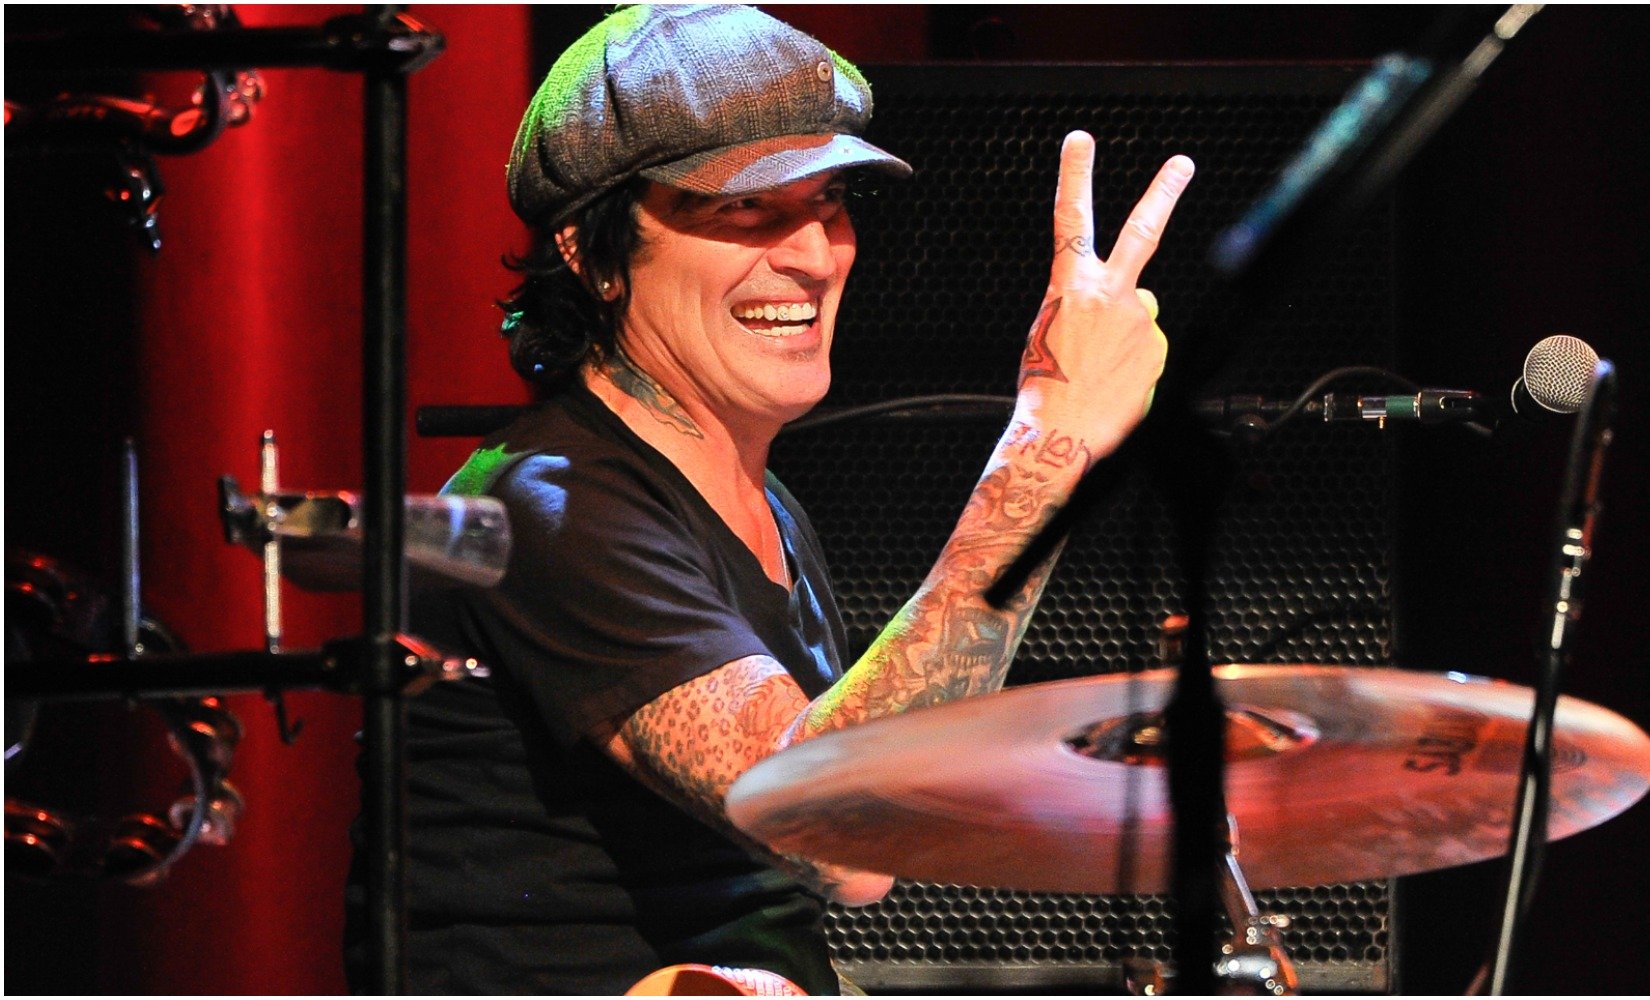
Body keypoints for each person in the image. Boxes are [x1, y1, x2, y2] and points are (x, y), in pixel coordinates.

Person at [345, 5, 1193, 993]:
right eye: (745, 207)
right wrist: (1051, 442)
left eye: (827, 202)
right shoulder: (552, 509)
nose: (814, 255)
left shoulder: (767, 504)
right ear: (592, 254)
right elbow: (838, 835)